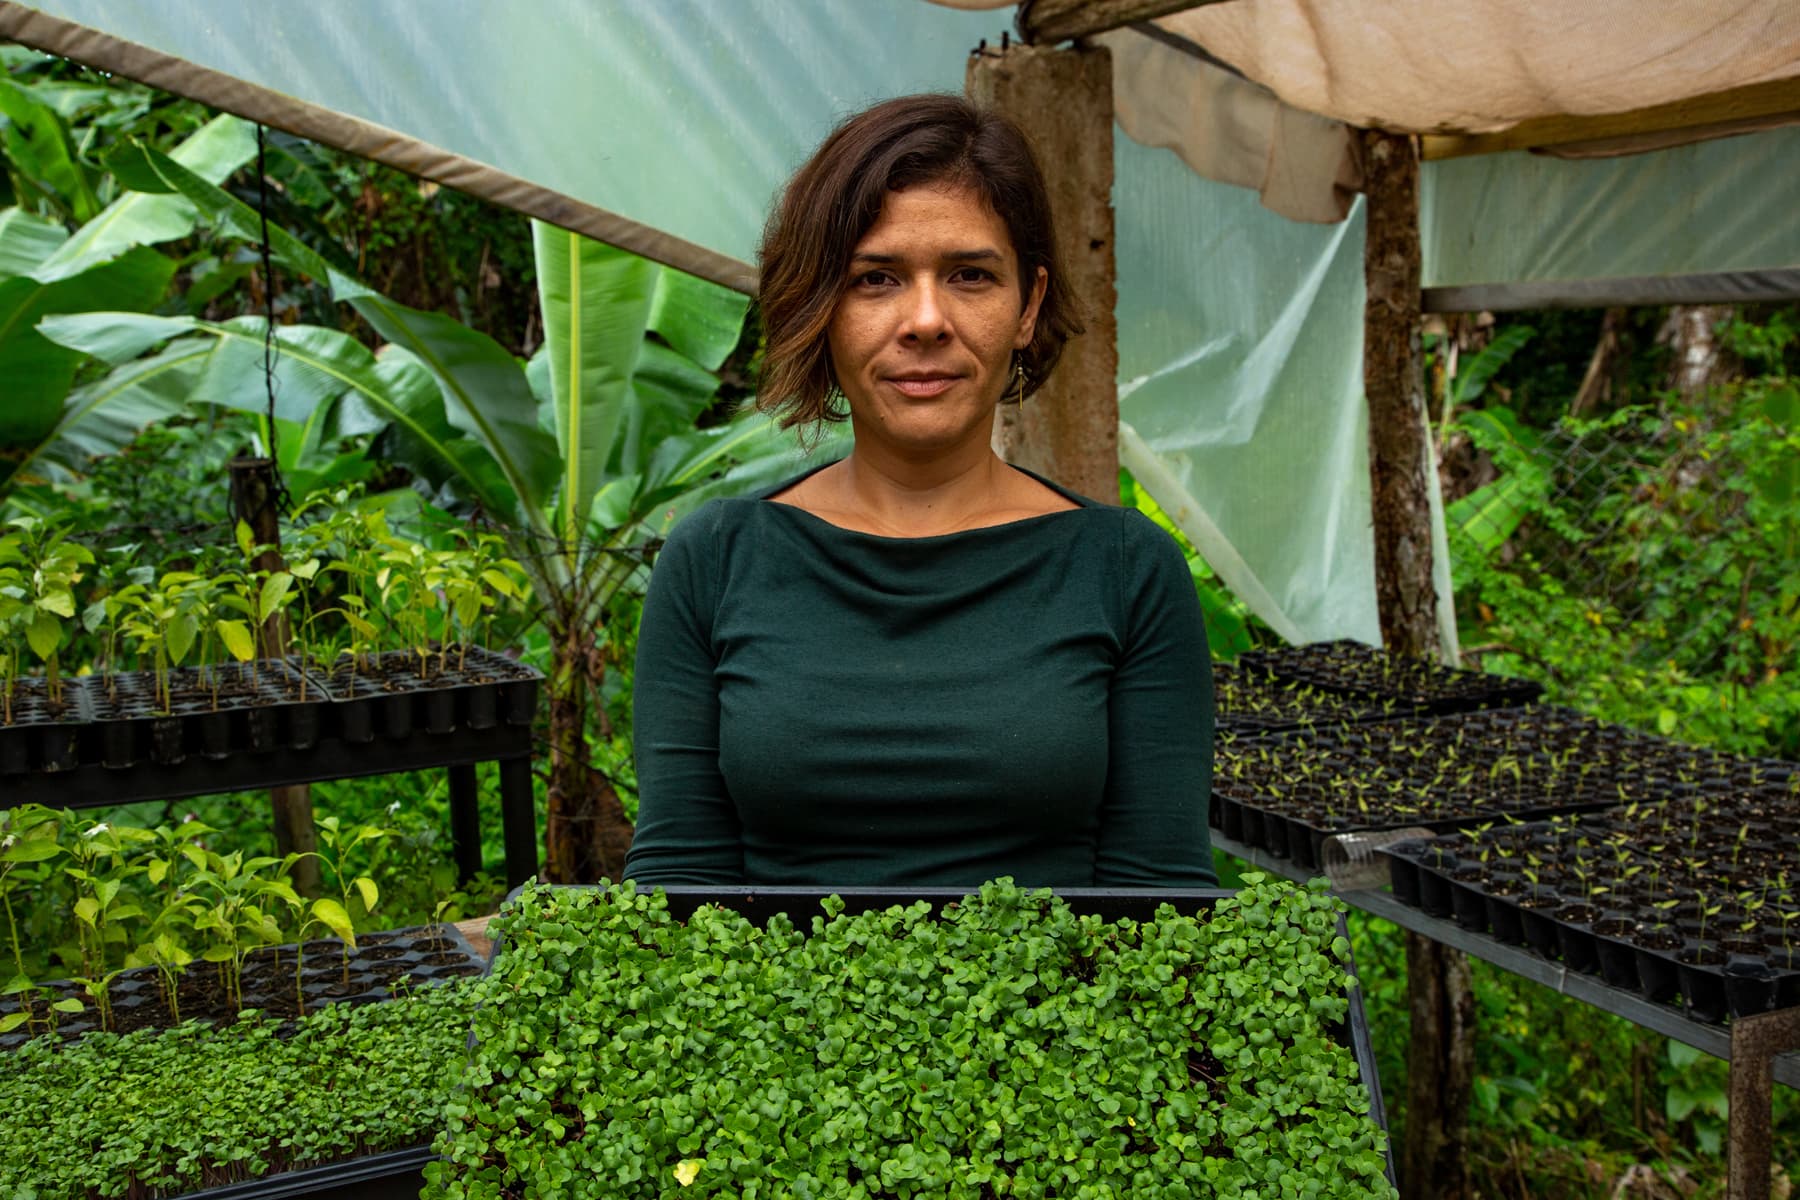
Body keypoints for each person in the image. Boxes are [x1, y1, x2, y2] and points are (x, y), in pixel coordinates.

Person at [622, 94, 1214, 887]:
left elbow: (1160, 899)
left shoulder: (1126, 570)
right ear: (820, 308)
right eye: (876, 279)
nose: (926, 320)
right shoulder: (717, 562)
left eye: (970, 275)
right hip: (773, 1011)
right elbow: (678, 884)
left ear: (1028, 306)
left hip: (1060, 1009)